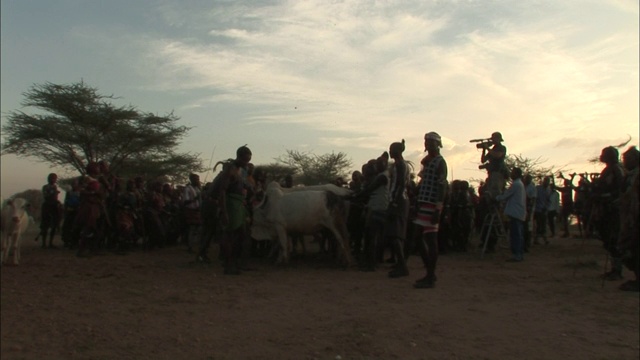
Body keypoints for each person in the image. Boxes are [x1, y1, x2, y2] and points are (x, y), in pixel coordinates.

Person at [412, 132, 448, 288]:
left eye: (430, 142)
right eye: (426, 142)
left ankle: (430, 275)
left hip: (432, 205)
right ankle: (429, 272)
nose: (427, 145)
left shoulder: (440, 162)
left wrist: (438, 209)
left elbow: (442, 186)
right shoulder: (428, 162)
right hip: (423, 203)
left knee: (431, 240)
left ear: (438, 144)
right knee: (418, 238)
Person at [216, 146, 253, 275]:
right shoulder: (230, 170)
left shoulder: (240, 170)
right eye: (245, 160)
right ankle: (228, 265)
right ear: (239, 157)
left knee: (241, 235)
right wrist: (224, 212)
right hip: (231, 205)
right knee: (230, 236)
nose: (246, 163)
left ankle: (236, 263)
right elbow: (222, 191)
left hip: (238, 204)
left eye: (248, 160)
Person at [352, 157, 390, 272]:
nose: (374, 167)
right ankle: (372, 261)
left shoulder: (382, 177)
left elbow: (368, 190)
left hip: (377, 208)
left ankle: (371, 263)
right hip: (377, 207)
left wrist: (354, 196)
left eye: (375, 165)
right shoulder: (382, 175)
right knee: (371, 236)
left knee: (371, 236)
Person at [593, 146, 625, 280]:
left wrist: (607, 197)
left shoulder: (617, 171)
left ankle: (617, 270)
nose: (601, 156)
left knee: (613, 238)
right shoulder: (607, 170)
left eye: (604, 154)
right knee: (606, 238)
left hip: (613, 209)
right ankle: (614, 268)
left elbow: (621, 191)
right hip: (605, 208)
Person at [386, 140, 411, 278]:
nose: (390, 152)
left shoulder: (400, 165)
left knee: (396, 234)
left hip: (399, 201)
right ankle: (400, 263)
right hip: (399, 200)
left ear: (396, 151)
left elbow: (400, 184)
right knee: (396, 235)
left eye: (391, 149)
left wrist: (394, 202)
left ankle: (402, 266)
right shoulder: (400, 165)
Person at [617, 146, 639, 291]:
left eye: (627, 159)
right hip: (629, 216)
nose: (624, 162)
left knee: (635, 246)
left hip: (636, 216)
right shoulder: (629, 175)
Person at [496, 167, 527, 262]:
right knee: (518, 234)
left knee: (515, 235)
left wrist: (496, 198)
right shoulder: (519, 184)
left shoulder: (516, 185)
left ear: (516, 174)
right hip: (518, 212)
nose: (511, 174)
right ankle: (519, 254)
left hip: (515, 213)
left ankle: (516, 255)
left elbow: (506, 195)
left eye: (513, 173)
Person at [37, 173, 62, 248]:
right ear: (49, 179)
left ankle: (51, 242)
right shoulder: (45, 187)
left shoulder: (55, 186)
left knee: (54, 224)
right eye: (52, 178)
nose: (54, 180)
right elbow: (46, 196)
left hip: (54, 205)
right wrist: (53, 193)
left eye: (55, 178)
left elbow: (55, 197)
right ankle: (44, 243)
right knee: (45, 225)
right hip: (47, 206)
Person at [480, 132, 507, 200]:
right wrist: (484, 149)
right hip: (491, 173)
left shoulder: (502, 148)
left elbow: (497, 155)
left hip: (498, 172)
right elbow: (483, 160)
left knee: (496, 192)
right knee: (489, 191)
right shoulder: (493, 149)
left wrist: (488, 148)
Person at [182, 173, 202, 252]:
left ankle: (194, 245)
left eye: (198, 179)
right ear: (191, 180)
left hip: (197, 210)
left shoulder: (197, 189)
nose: (198, 181)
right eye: (196, 179)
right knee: (192, 228)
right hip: (191, 210)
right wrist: (195, 199)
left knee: (198, 228)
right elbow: (185, 202)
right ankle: (190, 246)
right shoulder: (188, 189)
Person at [533, 176, 551, 245]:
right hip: (537, 209)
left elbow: (549, 200)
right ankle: (537, 239)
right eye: (546, 181)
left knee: (543, 225)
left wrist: (546, 208)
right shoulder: (538, 188)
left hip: (543, 210)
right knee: (538, 225)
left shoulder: (548, 190)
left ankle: (543, 238)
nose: (547, 183)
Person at [523, 174, 537, 252]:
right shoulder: (523, 186)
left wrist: (530, 211)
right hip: (523, 209)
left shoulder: (532, 188)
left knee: (528, 227)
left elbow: (533, 200)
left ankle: (527, 244)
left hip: (529, 210)